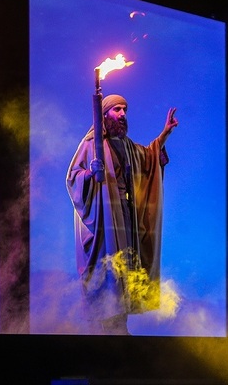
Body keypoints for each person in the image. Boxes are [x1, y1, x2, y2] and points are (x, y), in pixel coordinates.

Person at [66, 94, 178, 335]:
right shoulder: (90, 144)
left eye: (124, 110)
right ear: (104, 115)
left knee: (124, 268)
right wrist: (89, 175)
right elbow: (73, 178)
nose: (123, 114)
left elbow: (148, 159)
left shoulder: (127, 146)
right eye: (117, 109)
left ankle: (119, 326)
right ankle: (107, 329)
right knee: (106, 271)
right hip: (103, 220)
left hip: (124, 218)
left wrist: (165, 134)